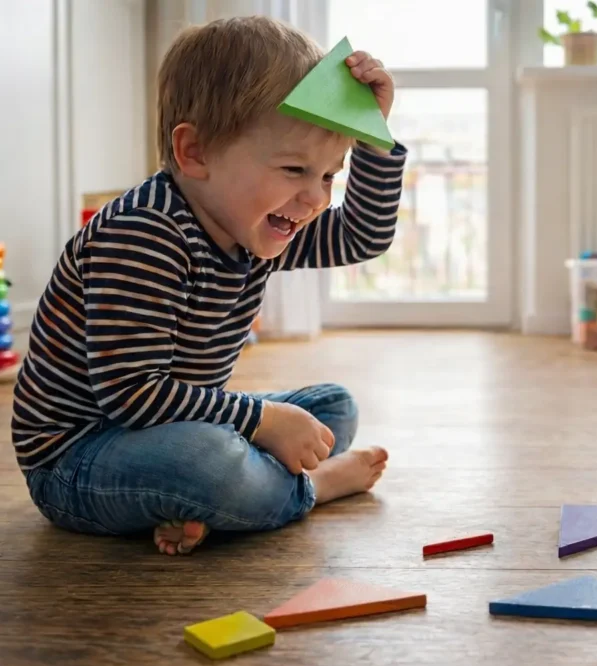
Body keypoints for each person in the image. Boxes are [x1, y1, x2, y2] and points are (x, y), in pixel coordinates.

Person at [10, 15, 406, 555]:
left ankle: (212, 504)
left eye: (328, 175)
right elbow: (132, 396)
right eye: (294, 170)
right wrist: (263, 419)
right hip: (78, 459)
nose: (316, 198)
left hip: (178, 423)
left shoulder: (254, 224)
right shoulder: (144, 232)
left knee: (333, 408)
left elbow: (361, 236)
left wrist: (375, 138)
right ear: (194, 153)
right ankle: (312, 487)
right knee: (208, 462)